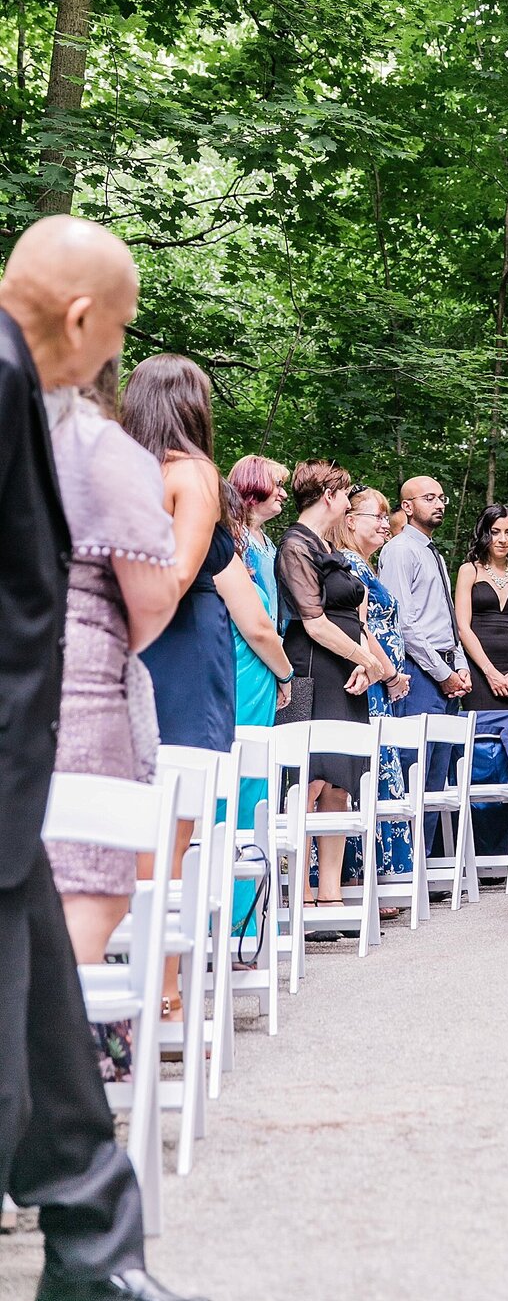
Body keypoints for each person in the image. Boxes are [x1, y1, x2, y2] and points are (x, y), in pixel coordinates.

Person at [0, 215, 201, 1301]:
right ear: (80, 319)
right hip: (34, 729)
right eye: (114, 332)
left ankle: (93, 1250)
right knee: (35, 996)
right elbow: (139, 598)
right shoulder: (41, 412)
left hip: (29, 738)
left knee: (42, 1010)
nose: (112, 355)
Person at [124, 355, 277, 1014]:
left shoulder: (123, 472)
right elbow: (181, 576)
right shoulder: (193, 472)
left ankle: (148, 976)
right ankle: (160, 988)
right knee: (172, 827)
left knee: (140, 822)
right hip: (181, 656)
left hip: (143, 649)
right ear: (190, 405)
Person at [45, 375, 176, 1080]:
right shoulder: (101, 448)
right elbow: (152, 597)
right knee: (88, 877)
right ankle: (66, 1071)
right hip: (85, 683)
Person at [276, 461, 392, 919]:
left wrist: (369, 664)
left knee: (339, 785)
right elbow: (314, 620)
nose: (349, 502)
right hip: (313, 666)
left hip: (348, 668)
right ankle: (299, 894)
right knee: (310, 778)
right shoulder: (295, 545)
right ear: (328, 495)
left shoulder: (329, 545)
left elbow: (355, 614)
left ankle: (331, 895)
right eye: (345, 494)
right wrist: (364, 659)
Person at [378, 475, 472, 837]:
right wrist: (441, 672)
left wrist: (459, 667)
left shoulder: (433, 552)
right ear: (407, 506)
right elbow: (404, 623)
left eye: (442, 497)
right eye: (429, 497)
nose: (439, 503)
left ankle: (427, 868)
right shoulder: (400, 550)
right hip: (420, 673)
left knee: (438, 772)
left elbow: (445, 617)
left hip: (446, 668)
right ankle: (406, 864)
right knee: (415, 765)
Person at [332, 485, 414, 895]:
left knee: (380, 770)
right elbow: (361, 626)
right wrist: (387, 672)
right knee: (368, 772)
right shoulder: (348, 563)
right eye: (376, 516)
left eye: (387, 517)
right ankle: (362, 879)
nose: (386, 524)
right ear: (349, 521)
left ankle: (376, 878)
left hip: (381, 683)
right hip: (370, 680)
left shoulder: (366, 564)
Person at [226, 456, 294, 934]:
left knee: (256, 785)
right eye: (277, 485)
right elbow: (257, 625)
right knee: (245, 786)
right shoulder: (237, 543)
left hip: (263, 664)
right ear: (253, 487)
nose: (285, 493)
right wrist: (285, 673)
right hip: (249, 666)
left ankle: (250, 914)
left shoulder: (265, 542)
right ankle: (238, 923)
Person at [455, 503, 508, 708]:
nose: (503, 539)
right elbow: (462, 627)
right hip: (480, 670)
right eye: (495, 532)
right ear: (484, 533)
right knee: (481, 733)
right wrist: (490, 672)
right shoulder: (469, 570)